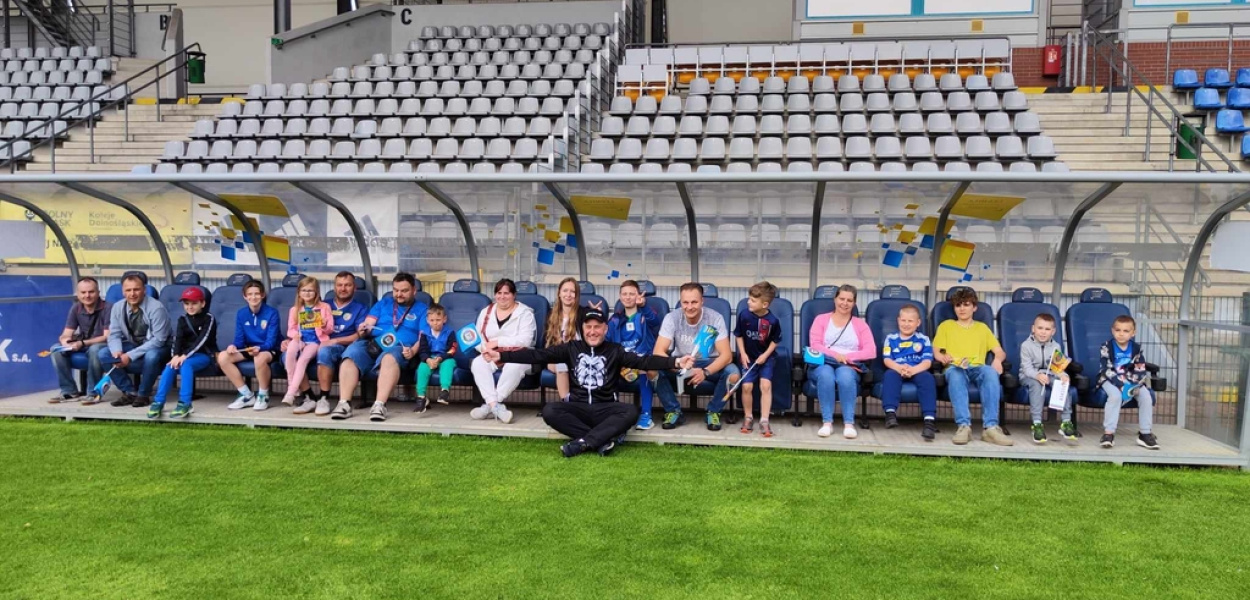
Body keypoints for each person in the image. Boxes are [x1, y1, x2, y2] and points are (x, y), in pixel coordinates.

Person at [482, 307, 695, 458]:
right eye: (588, 327)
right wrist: (502, 357)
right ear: (583, 329)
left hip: (606, 408)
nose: (592, 331)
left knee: (630, 412)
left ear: (605, 329)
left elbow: (645, 360)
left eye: (597, 327)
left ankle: (582, 442)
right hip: (578, 407)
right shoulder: (571, 348)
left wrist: (675, 360)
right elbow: (537, 355)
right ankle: (602, 439)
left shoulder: (615, 350)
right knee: (550, 411)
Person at [330, 272, 428, 422]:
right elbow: (369, 323)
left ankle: (379, 405)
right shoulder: (384, 303)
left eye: (404, 291)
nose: (399, 294)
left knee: (389, 358)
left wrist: (413, 351)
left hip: (401, 348)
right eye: (395, 290)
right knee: (352, 353)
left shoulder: (422, 309)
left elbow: (423, 336)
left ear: (414, 290)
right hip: (375, 343)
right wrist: (364, 328)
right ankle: (344, 404)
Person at [653, 282, 740, 431]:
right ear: (681, 302)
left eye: (694, 302)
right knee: (652, 369)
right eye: (685, 302)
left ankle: (713, 411)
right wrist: (678, 364)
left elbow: (726, 356)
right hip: (681, 362)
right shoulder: (672, 318)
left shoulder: (715, 318)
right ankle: (674, 411)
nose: (689, 306)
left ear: (702, 301)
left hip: (708, 363)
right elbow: (658, 352)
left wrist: (705, 372)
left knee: (733, 374)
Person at [933, 288, 1012, 446]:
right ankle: (964, 426)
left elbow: (999, 352)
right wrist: (942, 357)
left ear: (974, 307)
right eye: (958, 305)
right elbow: (936, 350)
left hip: (977, 367)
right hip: (955, 366)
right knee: (955, 375)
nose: (962, 308)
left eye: (966, 304)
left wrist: (997, 360)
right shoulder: (946, 326)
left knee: (990, 372)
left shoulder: (982, 328)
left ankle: (990, 427)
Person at [809, 284, 876, 439]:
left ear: (854, 303)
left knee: (845, 377)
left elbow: (871, 350)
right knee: (826, 375)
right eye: (841, 299)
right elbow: (815, 345)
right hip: (824, 362)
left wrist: (847, 357)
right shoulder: (821, 320)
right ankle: (827, 423)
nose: (844, 303)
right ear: (835, 299)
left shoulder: (860, 324)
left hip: (849, 365)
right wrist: (836, 355)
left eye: (849, 300)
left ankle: (849, 424)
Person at [296, 272, 367, 416]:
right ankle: (309, 397)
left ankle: (324, 398)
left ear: (355, 288)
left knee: (325, 351)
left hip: (342, 345)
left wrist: (334, 340)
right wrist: (293, 340)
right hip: (314, 342)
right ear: (334, 287)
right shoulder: (322, 305)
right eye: (339, 285)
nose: (343, 288)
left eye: (347, 285)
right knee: (289, 355)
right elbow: (303, 326)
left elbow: (359, 335)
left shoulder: (360, 308)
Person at [469, 278, 537, 424]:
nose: (502, 297)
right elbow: (477, 337)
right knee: (477, 363)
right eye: (499, 293)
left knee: (514, 366)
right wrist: (484, 349)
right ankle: (496, 406)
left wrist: (498, 342)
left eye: (506, 293)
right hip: (492, 354)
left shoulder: (525, 313)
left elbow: (525, 340)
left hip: (519, 354)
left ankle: (489, 405)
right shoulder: (486, 311)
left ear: (514, 295)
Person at [99, 274, 171, 407]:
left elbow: (159, 340)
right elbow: (113, 334)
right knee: (104, 353)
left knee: (152, 355)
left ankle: (143, 395)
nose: (132, 294)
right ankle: (129, 392)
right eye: (128, 290)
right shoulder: (117, 307)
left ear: (144, 290)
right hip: (135, 345)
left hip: (160, 347)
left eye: (136, 289)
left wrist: (130, 356)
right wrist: (117, 351)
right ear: (123, 291)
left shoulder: (156, 308)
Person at [148, 287, 217, 420]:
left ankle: (185, 403)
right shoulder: (182, 319)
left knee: (186, 364)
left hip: (204, 356)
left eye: (194, 303)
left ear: (202, 303)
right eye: (187, 304)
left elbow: (202, 340)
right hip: (184, 356)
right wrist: (175, 356)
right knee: (170, 366)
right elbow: (177, 340)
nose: (190, 307)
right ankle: (158, 401)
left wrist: (184, 356)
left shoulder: (209, 318)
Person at [606, 279, 661, 430]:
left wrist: (644, 305)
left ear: (638, 295)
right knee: (607, 366)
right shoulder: (615, 319)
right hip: (623, 362)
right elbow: (607, 341)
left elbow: (655, 322)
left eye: (632, 294)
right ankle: (612, 412)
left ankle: (646, 415)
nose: (628, 297)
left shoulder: (646, 314)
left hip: (643, 359)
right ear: (620, 296)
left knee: (645, 367)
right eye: (624, 294)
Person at [219, 280, 282, 411]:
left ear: (263, 295)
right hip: (249, 348)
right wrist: (233, 346)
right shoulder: (241, 313)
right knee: (223, 357)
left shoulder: (272, 313)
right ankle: (246, 395)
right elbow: (239, 339)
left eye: (257, 294)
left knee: (259, 357)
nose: (253, 297)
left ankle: (263, 395)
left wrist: (261, 348)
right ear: (245, 296)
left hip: (268, 349)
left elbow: (271, 341)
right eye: (250, 294)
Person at [1097, 315, 1159, 450]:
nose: (1121, 334)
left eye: (1126, 331)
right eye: (1118, 330)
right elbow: (1106, 369)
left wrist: (1132, 383)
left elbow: (1140, 368)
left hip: (1131, 380)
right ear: (1112, 331)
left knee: (1146, 396)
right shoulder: (1106, 347)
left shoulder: (1136, 348)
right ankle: (1109, 433)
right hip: (1110, 380)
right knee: (1115, 396)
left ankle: (1145, 433)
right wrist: (1120, 384)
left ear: (1133, 333)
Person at [880, 304, 938, 441]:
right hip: (897, 368)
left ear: (918, 323)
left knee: (928, 379)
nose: (906, 324)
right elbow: (887, 360)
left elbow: (927, 362)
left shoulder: (923, 340)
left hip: (917, 369)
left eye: (910, 321)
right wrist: (899, 368)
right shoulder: (891, 338)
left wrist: (913, 370)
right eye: (903, 320)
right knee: (889, 375)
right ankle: (890, 414)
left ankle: (929, 421)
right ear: (898, 320)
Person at [49, 277, 110, 404]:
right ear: (77, 294)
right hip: (83, 344)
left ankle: (93, 393)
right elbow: (66, 334)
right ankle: (69, 391)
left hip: (103, 345)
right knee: (55, 349)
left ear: (98, 292)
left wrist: (82, 343)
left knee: (95, 349)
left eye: (91, 292)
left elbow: (107, 337)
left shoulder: (108, 308)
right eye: (83, 292)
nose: (87, 296)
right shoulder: (76, 308)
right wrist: (65, 342)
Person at [1019, 313, 1076, 444]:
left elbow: (1057, 368)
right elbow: (1027, 368)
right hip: (1029, 376)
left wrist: (1063, 375)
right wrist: (1037, 376)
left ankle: (1066, 422)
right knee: (1036, 384)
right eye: (1040, 328)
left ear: (1053, 331)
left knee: (1062, 383)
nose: (1043, 332)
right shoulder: (1026, 346)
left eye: (1047, 329)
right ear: (1033, 329)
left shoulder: (1056, 346)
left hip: (1049, 375)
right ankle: (1037, 424)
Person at [734, 281, 781, 438]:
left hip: (766, 358)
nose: (748, 302)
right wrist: (743, 353)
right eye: (749, 298)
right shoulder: (744, 315)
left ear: (765, 304)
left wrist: (765, 355)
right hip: (749, 358)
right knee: (746, 387)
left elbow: (775, 341)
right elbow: (738, 335)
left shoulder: (773, 321)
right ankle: (748, 417)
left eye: (753, 300)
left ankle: (764, 420)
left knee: (765, 385)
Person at [281, 277, 335, 412]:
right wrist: (295, 335)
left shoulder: (324, 307)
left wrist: (323, 326)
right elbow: (290, 329)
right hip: (300, 339)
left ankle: (291, 392)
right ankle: (291, 388)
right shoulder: (295, 309)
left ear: (316, 292)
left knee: (302, 361)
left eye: (311, 290)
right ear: (299, 292)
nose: (307, 293)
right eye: (304, 290)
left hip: (315, 341)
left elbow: (330, 328)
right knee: (289, 354)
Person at [544, 277, 581, 400]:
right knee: (561, 365)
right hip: (555, 357)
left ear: (576, 295)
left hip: (577, 357)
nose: (568, 295)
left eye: (572, 291)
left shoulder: (583, 314)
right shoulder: (551, 315)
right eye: (565, 291)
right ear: (559, 293)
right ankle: (566, 403)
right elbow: (548, 342)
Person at [415, 303, 457, 411]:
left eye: (438, 320)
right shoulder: (424, 333)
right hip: (430, 358)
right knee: (422, 368)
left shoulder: (450, 333)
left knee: (448, 364)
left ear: (444, 319)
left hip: (445, 358)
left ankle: (444, 391)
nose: (435, 323)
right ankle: (421, 397)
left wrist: (440, 358)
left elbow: (452, 349)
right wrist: (428, 360)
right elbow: (422, 350)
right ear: (428, 321)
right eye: (432, 320)